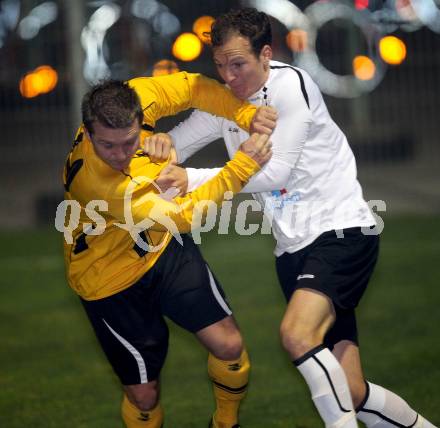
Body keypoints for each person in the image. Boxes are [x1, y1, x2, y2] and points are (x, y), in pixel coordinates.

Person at [148, 8, 437, 428]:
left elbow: (276, 171)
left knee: (296, 335)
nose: (228, 76)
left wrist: (190, 178)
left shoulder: (289, 86)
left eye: (238, 64)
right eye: (219, 65)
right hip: (292, 250)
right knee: (351, 392)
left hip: (341, 232)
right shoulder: (226, 100)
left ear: (266, 54)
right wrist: (155, 146)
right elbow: (177, 144)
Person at [61, 74, 273, 428]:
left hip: (160, 250)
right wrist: (241, 167)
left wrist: (245, 114)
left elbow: (194, 88)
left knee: (229, 346)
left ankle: (225, 424)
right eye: (107, 146)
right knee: (144, 396)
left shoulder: (138, 96)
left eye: (128, 142)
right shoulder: (98, 183)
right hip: (108, 280)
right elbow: (182, 216)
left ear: (139, 116)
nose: (119, 154)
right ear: (87, 131)